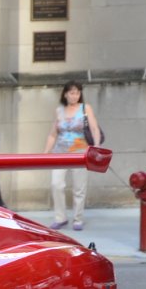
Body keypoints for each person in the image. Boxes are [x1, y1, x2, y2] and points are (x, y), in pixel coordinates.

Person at [43, 82, 100, 229]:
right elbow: (52, 133)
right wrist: (45, 152)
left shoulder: (85, 108)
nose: (75, 95)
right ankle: (60, 217)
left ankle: (78, 218)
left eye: (77, 92)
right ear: (65, 94)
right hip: (60, 153)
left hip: (80, 153)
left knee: (79, 187)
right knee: (56, 184)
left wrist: (96, 147)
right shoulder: (59, 111)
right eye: (72, 92)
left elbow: (94, 128)